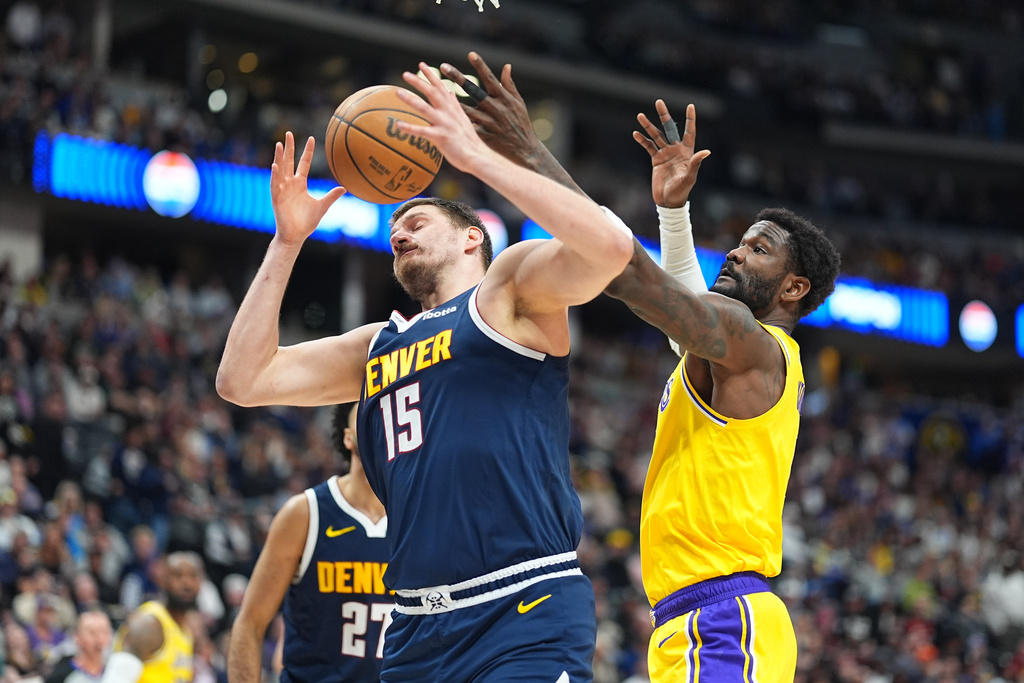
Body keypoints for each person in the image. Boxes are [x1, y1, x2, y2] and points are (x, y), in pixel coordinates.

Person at [215, 62, 634, 681]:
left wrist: (477, 158)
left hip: (520, 604)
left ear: (471, 238)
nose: (399, 234)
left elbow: (613, 248)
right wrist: (287, 242)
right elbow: (241, 381)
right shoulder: (377, 345)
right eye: (393, 229)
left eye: (416, 222)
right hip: (414, 624)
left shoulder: (508, 291)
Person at [441, 52, 841, 682]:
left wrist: (525, 152)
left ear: (793, 289)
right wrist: (674, 214)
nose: (736, 252)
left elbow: (627, 272)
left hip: (724, 623)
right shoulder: (734, 356)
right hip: (693, 621)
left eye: (759, 249)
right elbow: (682, 309)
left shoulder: (755, 345)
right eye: (741, 241)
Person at [228, 403, 390, 683]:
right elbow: (250, 623)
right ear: (348, 436)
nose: (380, 425)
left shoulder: (421, 517)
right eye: (368, 415)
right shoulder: (305, 513)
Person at [102, 551, 204, 683]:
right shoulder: (149, 623)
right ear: (162, 580)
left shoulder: (186, 632)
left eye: (193, 576)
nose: (187, 583)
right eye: (177, 576)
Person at [45, 610, 113, 683]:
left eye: (104, 632)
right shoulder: (60, 675)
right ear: (76, 636)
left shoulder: (114, 671)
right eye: (92, 633)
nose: (99, 639)